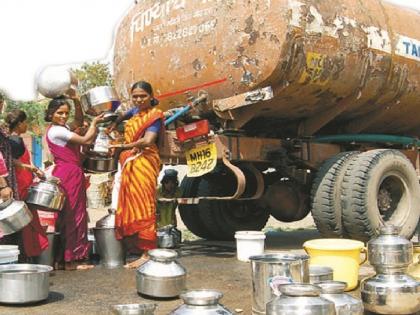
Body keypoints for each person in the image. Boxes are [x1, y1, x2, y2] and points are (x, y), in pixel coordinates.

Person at [109, 81, 165, 269]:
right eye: (135, 96)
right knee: (129, 204)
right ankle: (135, 246)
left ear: (151, 96)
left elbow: (148, 140)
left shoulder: (154, 116)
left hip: (144, 162)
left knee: (144, 206)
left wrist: (123, 146)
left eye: (143, 96)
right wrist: (114, 123)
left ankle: (147, 252)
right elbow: (125, 114)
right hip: (130, 163)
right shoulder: (135, 112)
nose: (139, 100)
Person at [44, 94, 103, 270]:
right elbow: (86, 140)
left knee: (68, 215)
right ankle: (73, 260)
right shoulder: (57, 131)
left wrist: (76, 101)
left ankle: (63, 259)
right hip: (69, 174)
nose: (63, 116)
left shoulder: (59, 129)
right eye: (59, 113)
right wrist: (93, 124)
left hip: (67, 173)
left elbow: (77, 121)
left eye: (66, 113)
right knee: (74, 215)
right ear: (51, 114)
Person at [5, 109, 48, 258]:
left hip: (19, 185)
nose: (26, 125)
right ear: (20, 123)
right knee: (26, 225)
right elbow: (12, 161)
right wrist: (32, 168)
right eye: (25, 122)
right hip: (20, 187)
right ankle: (24, 256)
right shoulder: (15, 141)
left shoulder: (9, 140)